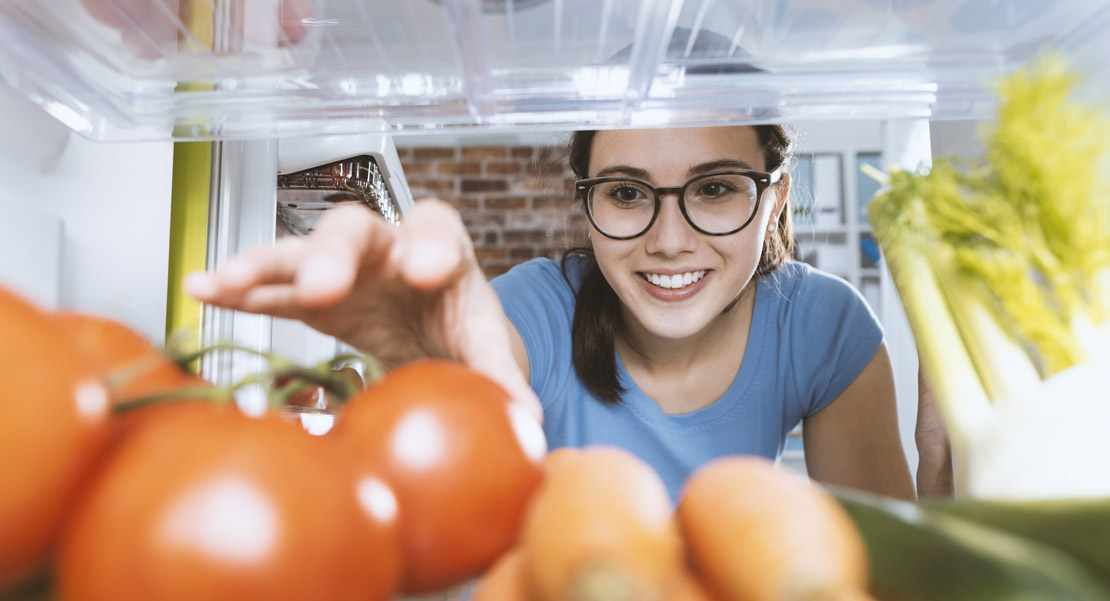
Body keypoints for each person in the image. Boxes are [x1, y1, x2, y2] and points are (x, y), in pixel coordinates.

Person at [185, 123, 953, 502]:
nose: (670, 239)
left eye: (716, 188)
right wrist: (440, 371)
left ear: (774, 195)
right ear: (587, 204)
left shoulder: (821, 324)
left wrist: (946, 496)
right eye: (627, 193)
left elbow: (872, 570)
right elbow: (488, 377)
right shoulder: (536, 304)